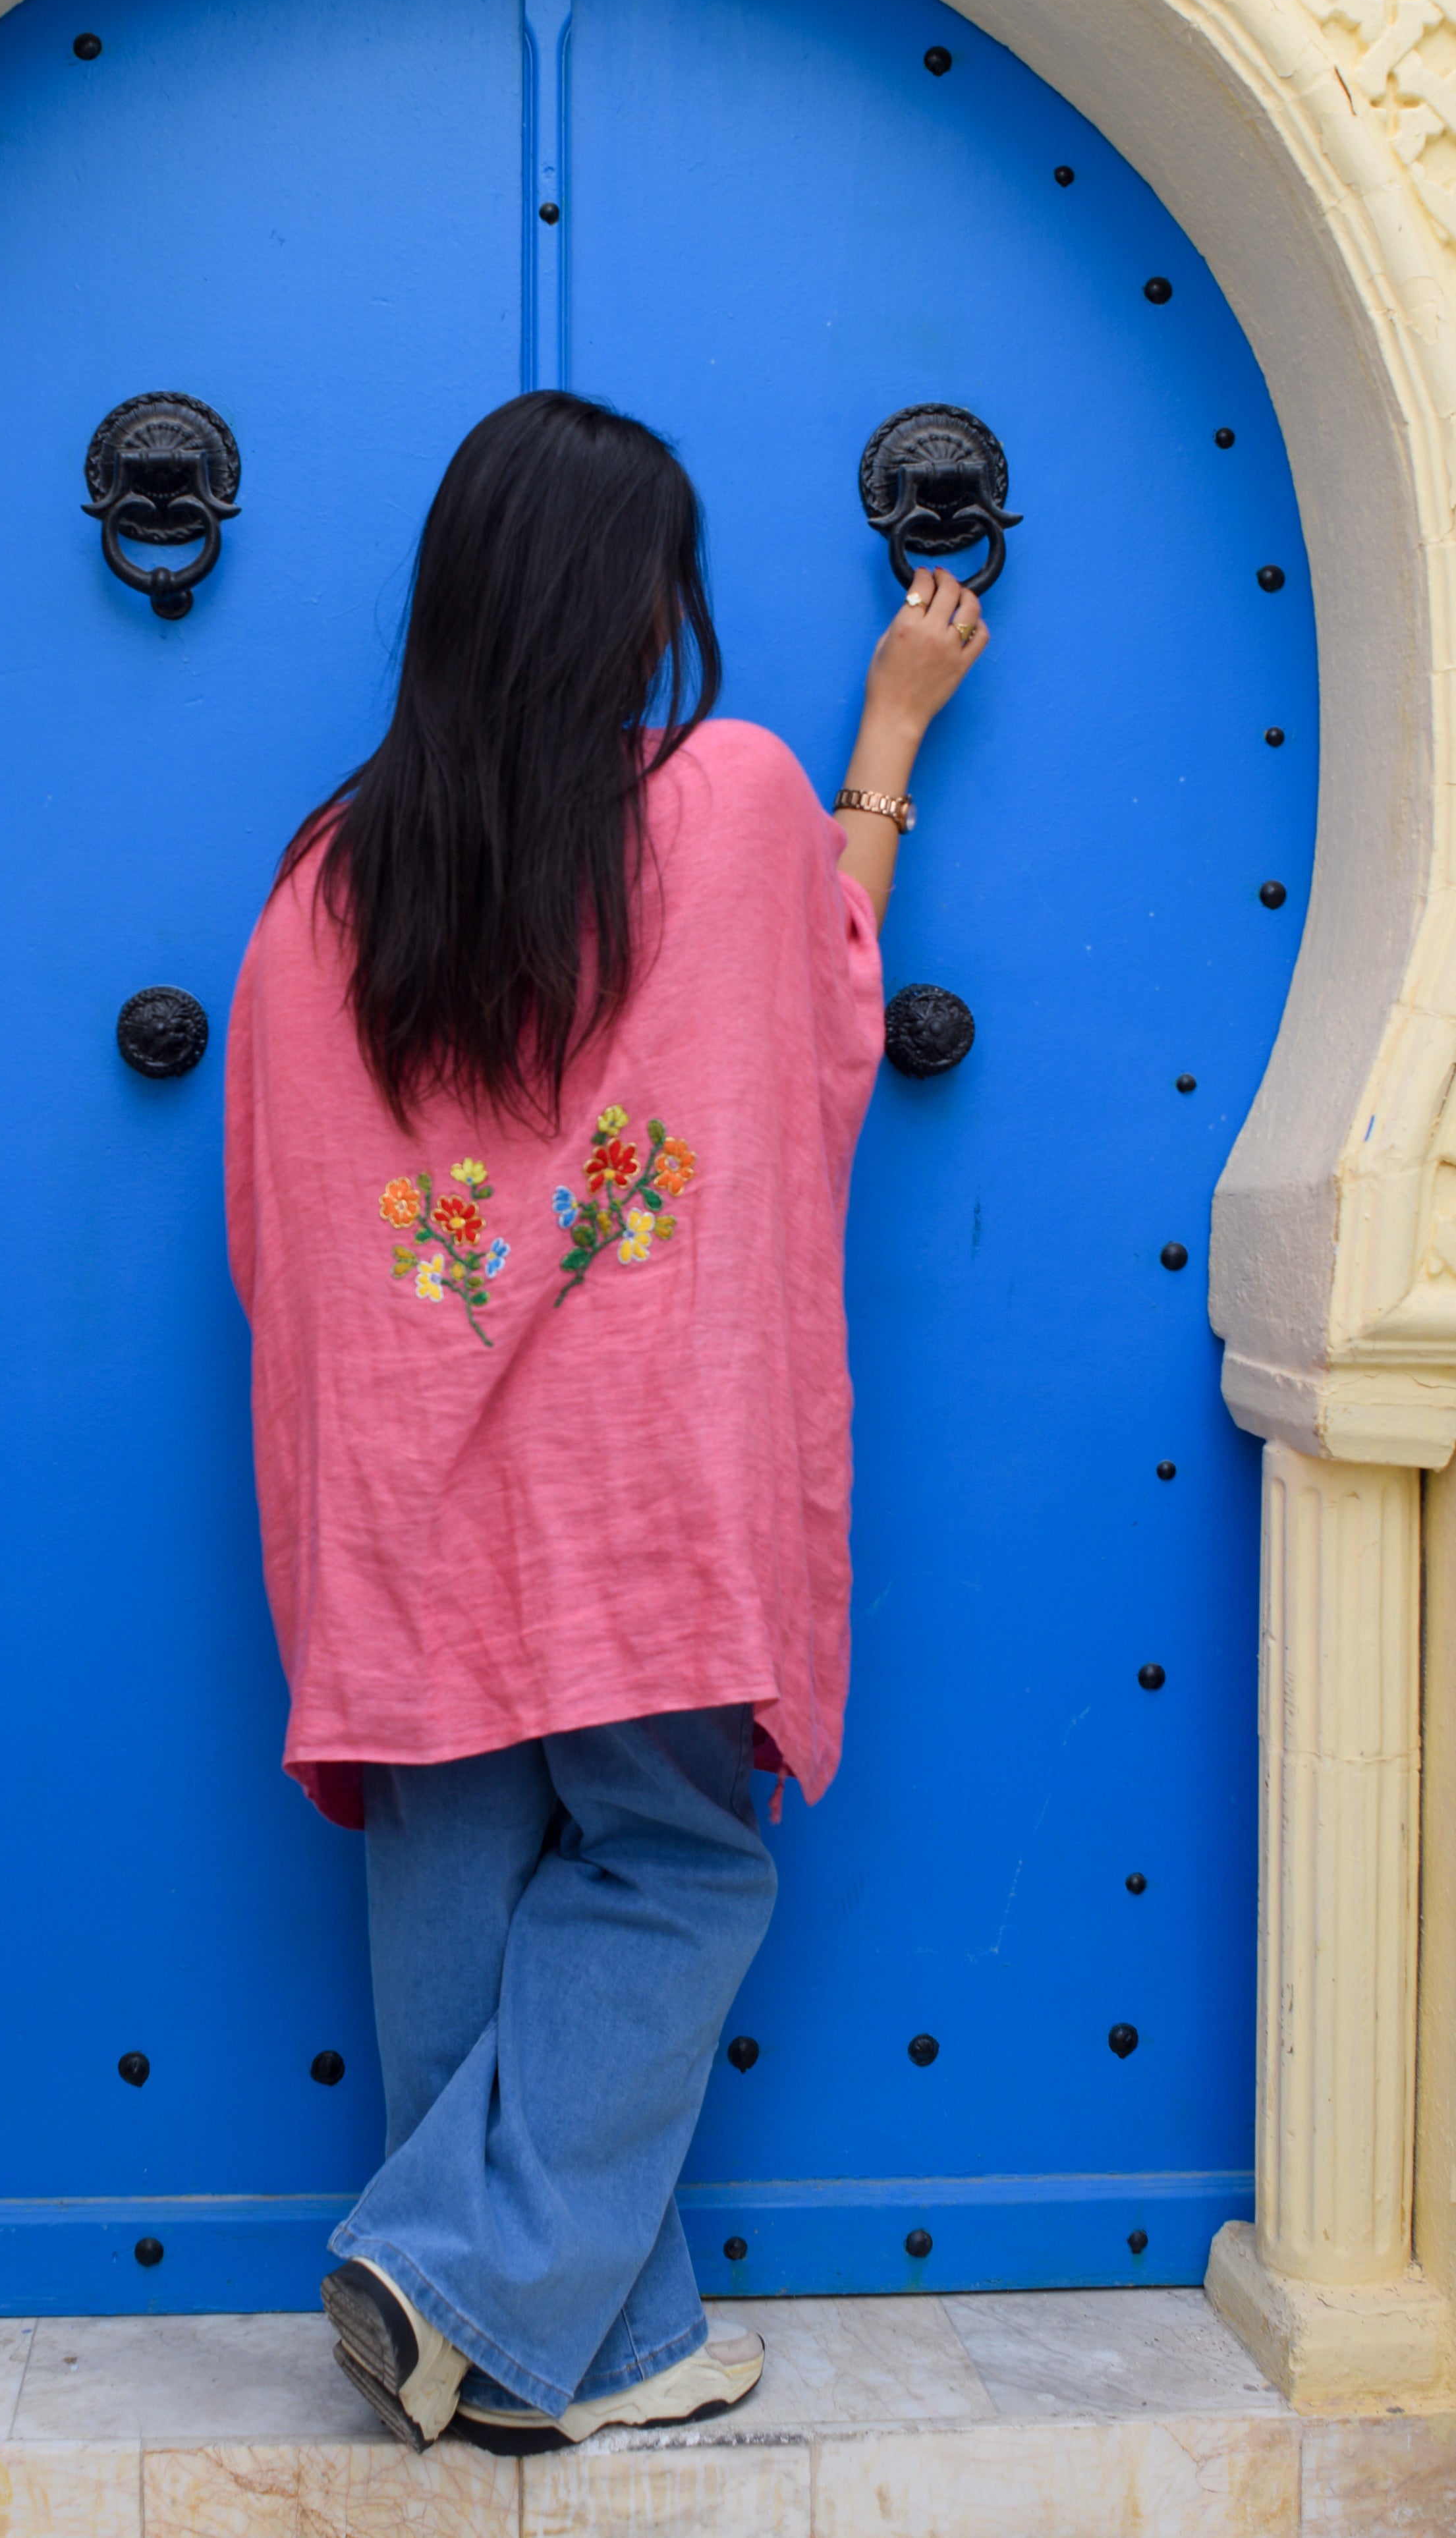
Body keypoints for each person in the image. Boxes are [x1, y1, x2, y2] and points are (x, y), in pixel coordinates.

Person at [223, 389, 989, 2453]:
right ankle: (469, 2282)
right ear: (628, 599)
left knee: (453, 1898)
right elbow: (825, 1010)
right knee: (673, 1861)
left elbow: (288, 1232)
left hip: (403, 1498)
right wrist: (895, 730)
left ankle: (585, 2344)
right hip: (642, 1489)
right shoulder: (730, 794)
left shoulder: (323, 884)